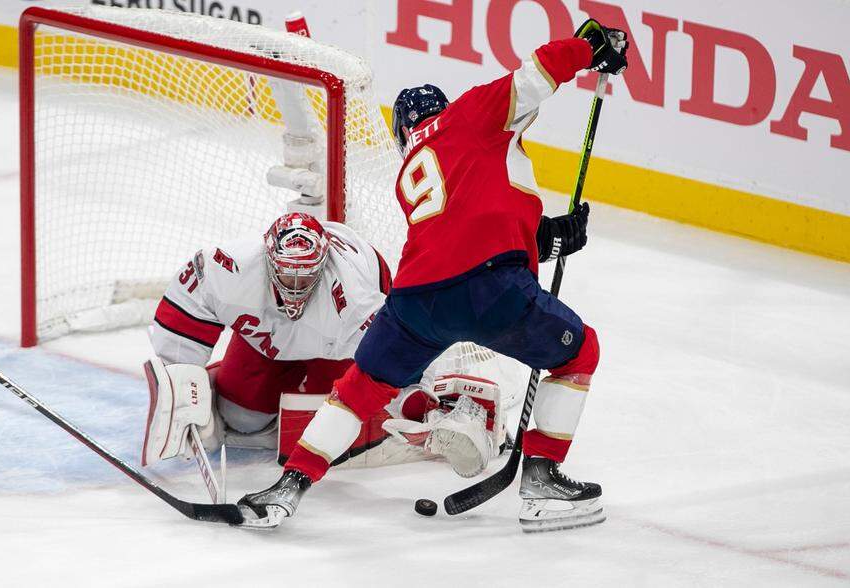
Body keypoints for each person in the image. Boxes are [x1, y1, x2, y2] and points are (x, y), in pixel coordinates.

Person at [238, 20, 629, 531]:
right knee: (581, 352)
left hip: (416, 300)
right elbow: (537, 74)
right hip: (489, 288)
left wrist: (549, 238)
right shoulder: (469, 116)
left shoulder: (409, 172)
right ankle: (542, 480)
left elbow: (467, 225)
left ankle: (287, 488)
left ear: (403, 133)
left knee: (359, 391)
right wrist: (588, 47)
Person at [141, 212, 510, 476]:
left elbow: (397, 344)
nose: (296, 286)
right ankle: (218, 386)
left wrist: (415, 394)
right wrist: (181, 380)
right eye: (287, 274)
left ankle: (446, 399)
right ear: (268, 258)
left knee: (330, 429)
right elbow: (186, 306)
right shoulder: (230, 267)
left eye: (307, 276)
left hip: (337, 344)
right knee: (243, 420)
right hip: (269, 343)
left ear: (324, 262)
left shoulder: (355, 295)